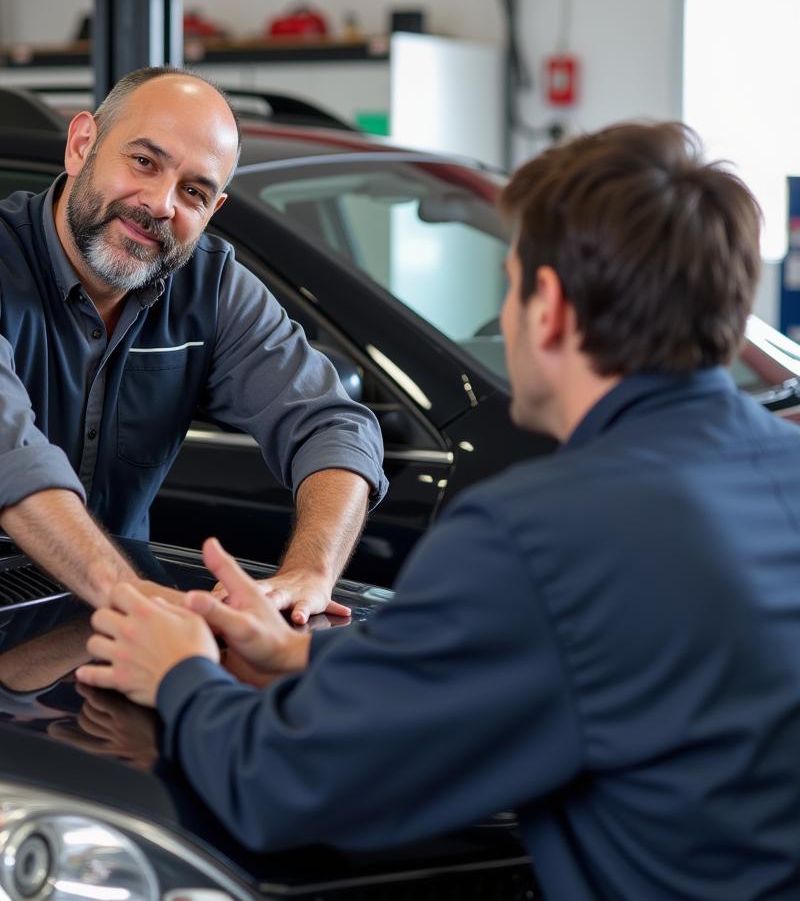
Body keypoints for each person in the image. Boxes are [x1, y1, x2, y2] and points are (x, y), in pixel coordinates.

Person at [78, 122, 800, 900]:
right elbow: (570, 662)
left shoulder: (538, 533)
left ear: (548, 307)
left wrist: (181, 674)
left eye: (512, 282)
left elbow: (288, 787)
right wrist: (300, 658)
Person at [0, 67, 387, 622]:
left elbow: (334, 425)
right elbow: (5, 455)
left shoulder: (212, 289)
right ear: (83, 145)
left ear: (213, 211)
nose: (160, 204)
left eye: (193, 191)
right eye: (144, 162)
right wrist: (136, 598)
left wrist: (312, 570)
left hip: (112, 621)